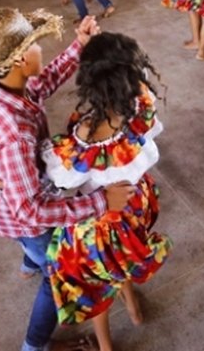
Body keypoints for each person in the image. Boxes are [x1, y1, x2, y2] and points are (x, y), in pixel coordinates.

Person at [0, 8, 133, 351]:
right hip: (18, 213)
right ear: (19, 60)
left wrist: (79, 46)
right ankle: (34, 345)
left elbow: (42, 83)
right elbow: (30, 212)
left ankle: (28, 260)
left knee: (32, 243)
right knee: (56, 272)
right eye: (35, 44)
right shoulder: (14, 135)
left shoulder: (0, 83)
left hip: (6, 191)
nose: (41, 48)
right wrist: (101, 201)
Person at [39, 32, 171, 350]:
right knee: (121, 258)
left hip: (98, 223)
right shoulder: (141, 113)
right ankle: (132, 305)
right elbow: (148, 136)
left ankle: (106, 346)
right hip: (134, 205)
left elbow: (62, 179)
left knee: (96, 285)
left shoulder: (84, 136)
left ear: (87, 81)